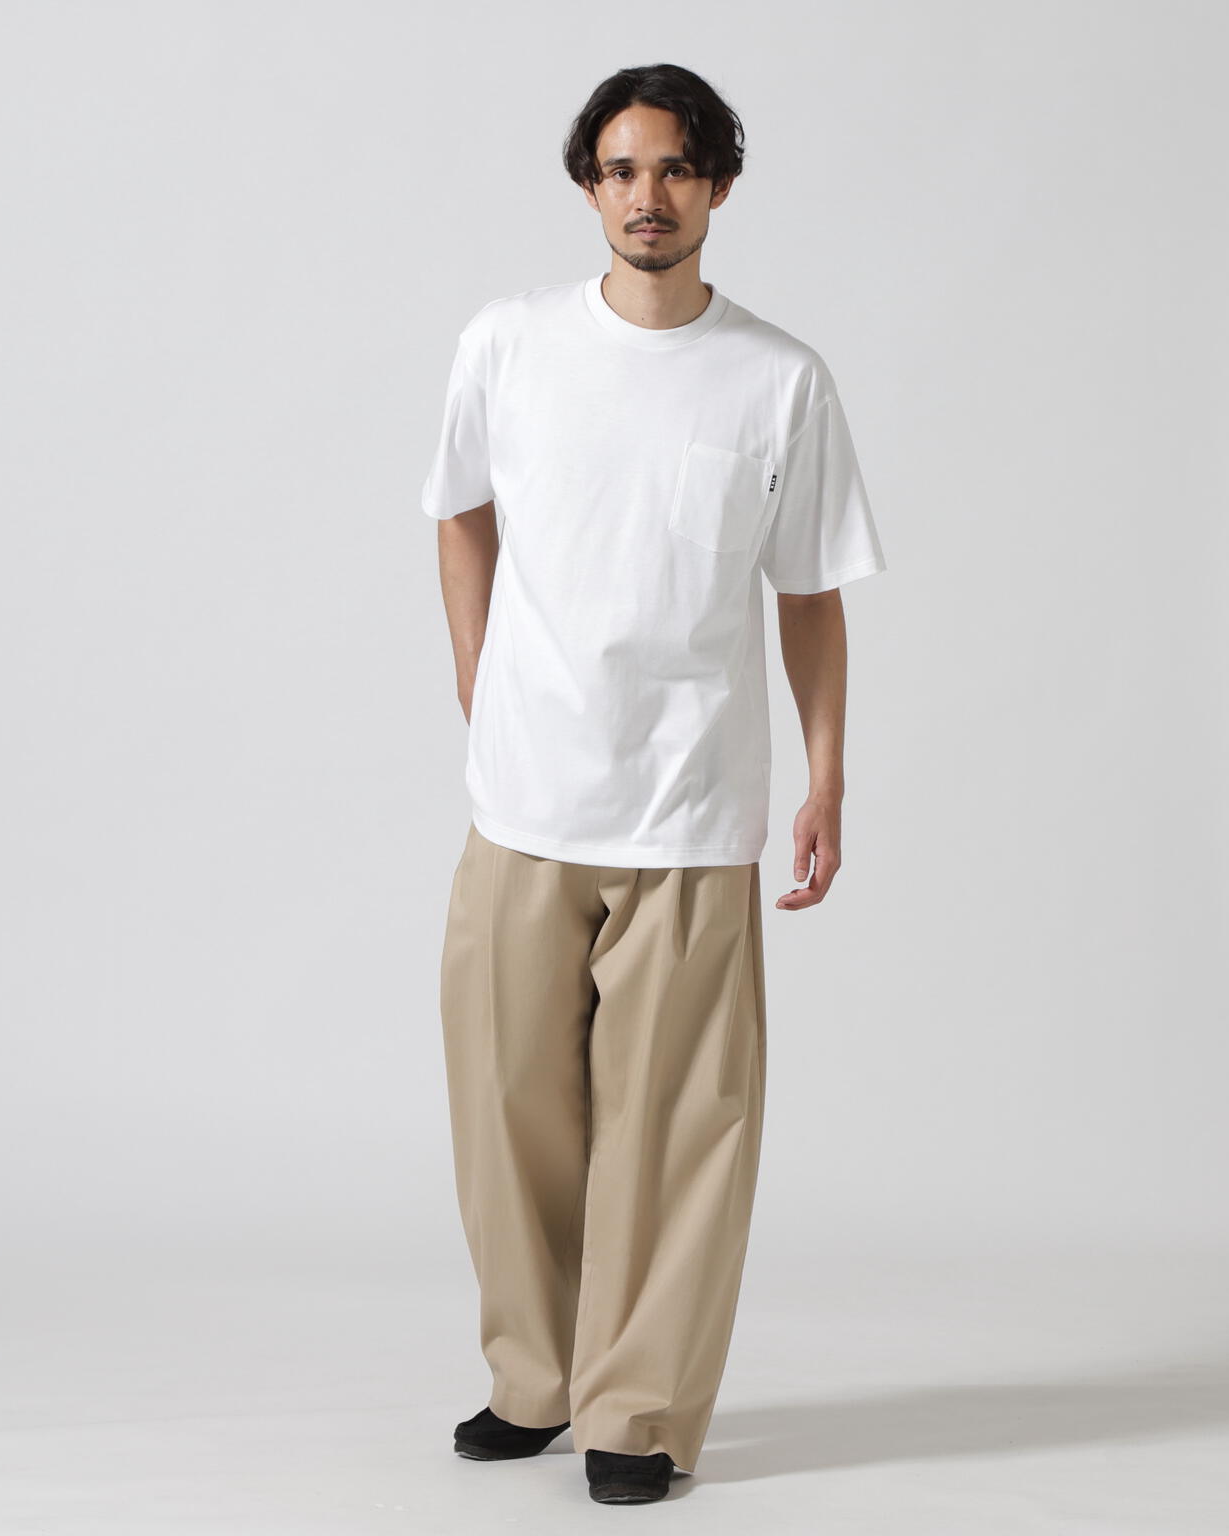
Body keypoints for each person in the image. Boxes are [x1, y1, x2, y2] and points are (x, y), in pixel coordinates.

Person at [420, 62, 886, 1506]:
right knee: (509, 1111)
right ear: (588, 186)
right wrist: (478, 679)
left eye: (676, 168)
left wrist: (826, 776)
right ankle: (535, 1380)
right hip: (524, 802)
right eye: (622, 170)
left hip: (691, 810)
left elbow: (809, 594)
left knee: (676, 1134)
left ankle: (639, 1411)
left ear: (720, 186)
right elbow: (459, 513)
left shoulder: (778, 380)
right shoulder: (507, 344)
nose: (648, 196)